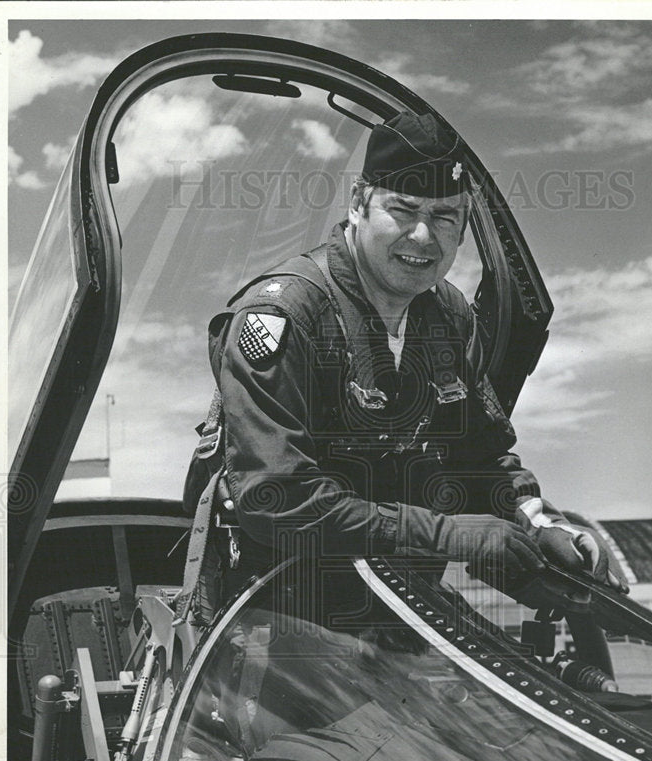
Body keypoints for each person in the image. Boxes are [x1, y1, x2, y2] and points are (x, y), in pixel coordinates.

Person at [179, 112, 626, 624]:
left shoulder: (448, 317)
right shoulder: (284, 316)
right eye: (403, 209)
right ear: (358, 204)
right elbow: (276, 498)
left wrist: (542, 526)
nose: (422, 235)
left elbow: (480, 458)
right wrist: (448, 534)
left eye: (445, 217)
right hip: (274, 615)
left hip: (398, 605)